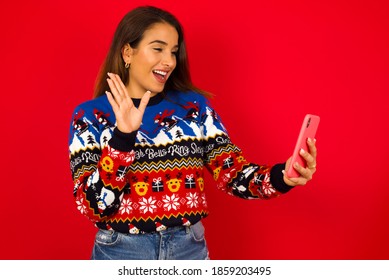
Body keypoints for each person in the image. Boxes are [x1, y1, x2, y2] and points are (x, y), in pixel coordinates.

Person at [68, 5, 318, 260]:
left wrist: (282, 177)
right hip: (121, 251)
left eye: (174, 52)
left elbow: (233, 174)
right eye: (158, 48)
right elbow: (94, 206)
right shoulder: (90, 116)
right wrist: (123, 136)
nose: (169, 61)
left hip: (188, 249)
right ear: (127, 52)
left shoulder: (193, 108)